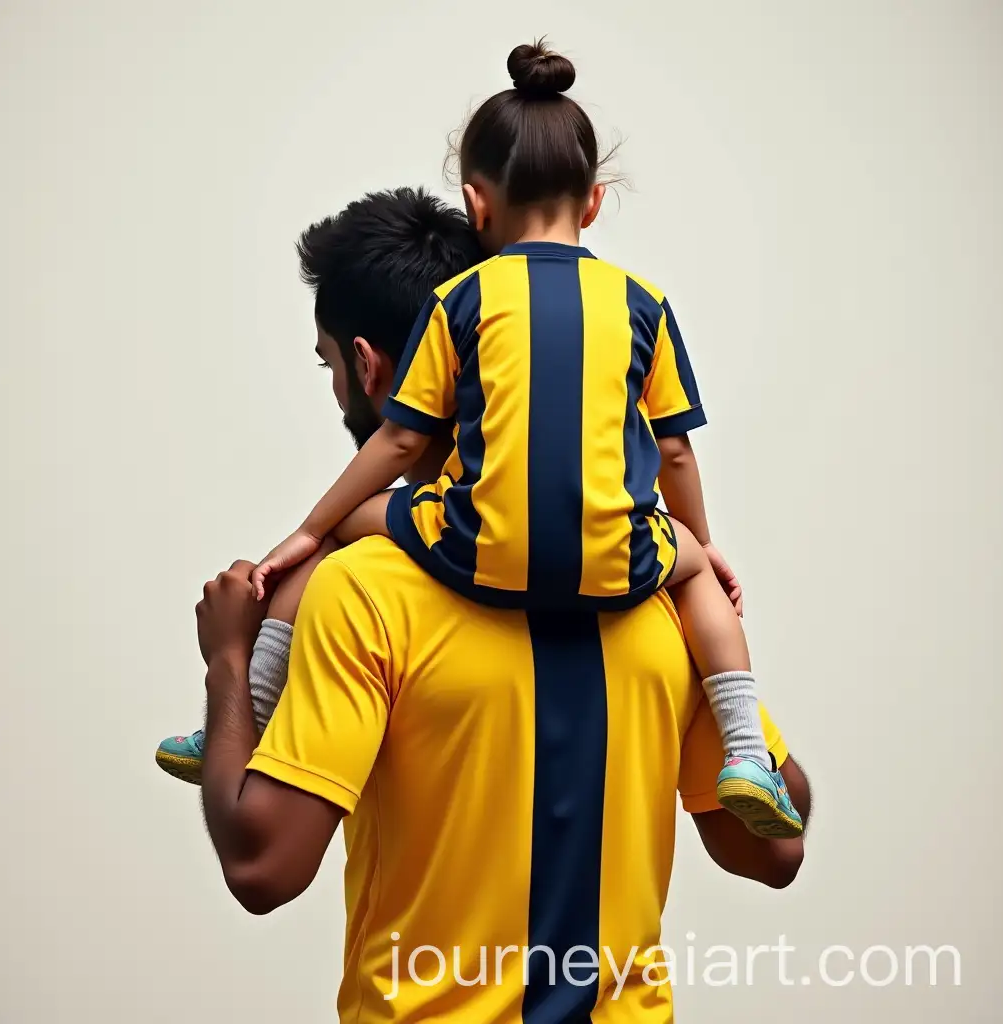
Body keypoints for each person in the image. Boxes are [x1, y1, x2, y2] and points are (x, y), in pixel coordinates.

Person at [193, 186, 811, 1022]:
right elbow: (774, 847)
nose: (338, 381)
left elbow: (262, 869)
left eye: (329, 362)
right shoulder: (651, 577)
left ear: (369, 368)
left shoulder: (361, 589)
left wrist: (230, 666)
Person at [247, 41, 800, 836]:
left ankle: (256, 711)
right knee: (696, 578)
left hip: (475, 549)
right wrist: (695, 544)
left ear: (477, 204)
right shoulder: (642, 304)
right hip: (615, 562)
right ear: (595, 203)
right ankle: (745, 750)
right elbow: (674, 450)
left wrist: (306, 529)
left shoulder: (461, 299)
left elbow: (402, 445)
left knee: (332, 544)